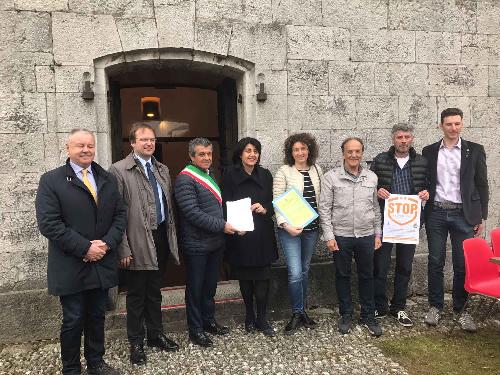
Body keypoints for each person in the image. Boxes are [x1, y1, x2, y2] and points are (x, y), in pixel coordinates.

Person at [35, 129, 126, 375]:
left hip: (101, 262)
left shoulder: (106, 178)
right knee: (74, 319)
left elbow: (119, 216)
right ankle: (72, 368)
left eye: (90, 145)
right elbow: (49, 224)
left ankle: (96, 362)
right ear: (68, 148)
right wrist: (85, 247)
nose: (86, 150)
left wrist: (106, 244)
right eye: (80, 146)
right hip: (71, 264)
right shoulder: (51, 180)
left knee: (97, 316)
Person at [108, 123, 180, 365]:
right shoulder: (119, 170)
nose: (149, 143)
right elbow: (116, 213)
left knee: (155, 291)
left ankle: (156, 335)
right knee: (137, 294)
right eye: (144, 140)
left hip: (159, 237)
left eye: (152, 139)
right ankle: (136, 342)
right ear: (132, 143)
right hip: (136, 240)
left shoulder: (162, 169)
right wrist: (123, 247)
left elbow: (167, 207)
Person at [423, 108, 489, 332]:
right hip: (437, 213)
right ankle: (435, 307)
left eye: (457, 124)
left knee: (462, 264)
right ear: (440, 125)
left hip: (464, 214)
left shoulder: (475, 150)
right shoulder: (429, 151)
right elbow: (425, 181)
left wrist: (482, 216)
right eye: (449, 124)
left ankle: (461, 310)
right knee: (435, 261)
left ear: (462, 125)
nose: (454, 128)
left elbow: (482, 185)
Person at [174, 138, 237, 347]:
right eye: (202, 154)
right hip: (196, 245)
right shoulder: (185, 179)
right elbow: (192, 213)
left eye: (209, 154)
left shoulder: (211, 174)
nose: (207, 158)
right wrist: (222, 226)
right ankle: (195, 330)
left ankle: (209, 321)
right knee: (195, 288)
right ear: (191, 156)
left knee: (210, 286)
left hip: (214, 243)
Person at [319, 137, 383, 337]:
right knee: (342, 275)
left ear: (362, 153)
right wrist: (329, 235)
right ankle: (346, 313)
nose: (354, 155)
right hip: (342, 235)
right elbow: (324, 209)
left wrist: (377, 233)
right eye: (349, 152)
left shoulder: (371, 177)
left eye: (357, 151)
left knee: (367, 276)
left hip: (366, 235)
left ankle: (367, 315)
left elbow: (375, 208)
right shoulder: (331, 177)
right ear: (343, 154)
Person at [370, 124, 429, 327]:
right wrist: (377, 190)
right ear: (393, 139)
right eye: (399, 137)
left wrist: (426, 193)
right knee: (380, 265)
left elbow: (430, 185)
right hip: (386, 223)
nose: (403, 141)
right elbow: (369, 185)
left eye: (407, 137)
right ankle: (379, 305)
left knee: (404, 266)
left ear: (412, 139)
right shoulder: (380, 160)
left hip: (409, 223)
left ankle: (399, 307)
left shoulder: (422, 161)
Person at [221, 137, 278, 337]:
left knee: (263, 277)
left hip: (262, 231)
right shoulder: (229, 175)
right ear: (240, 154)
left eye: (255, 151)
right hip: (241, 233)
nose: (252, 154)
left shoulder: (266, 174)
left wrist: (266, 208)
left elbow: (274, 201)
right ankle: (249, 315)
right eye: (248, 151)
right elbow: (225, 204)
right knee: (245, 278)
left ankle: (262, 318)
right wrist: (233, 225)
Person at [273, 132, 323, 335]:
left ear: (309, 150)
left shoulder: (317, 170)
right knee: (294, 272)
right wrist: (286, 225)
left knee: (304, 269)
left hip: (311, 229)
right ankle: (296, 312)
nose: (300, 152)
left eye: (303, 148)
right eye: (296, 149)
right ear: (290, 152)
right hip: (290, 230)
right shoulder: (284, 172)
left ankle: (302, 312)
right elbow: (277, 201)